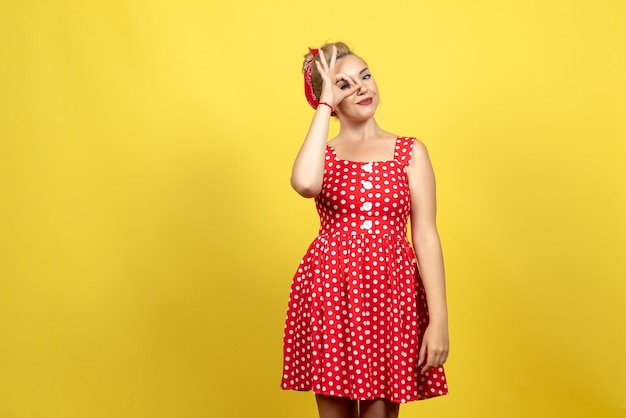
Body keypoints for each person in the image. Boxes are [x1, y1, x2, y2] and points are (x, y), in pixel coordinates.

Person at [281, 42, 449, 418]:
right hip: (331, 291)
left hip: (393, 294)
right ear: (328, 98)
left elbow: (425, 236)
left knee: (380, 415)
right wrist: (324, 106)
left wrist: (438, 321)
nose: (360, 89)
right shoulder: (322, 155)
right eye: (343, 85)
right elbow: (306, 185)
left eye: (365, 76)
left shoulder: (410, 151)